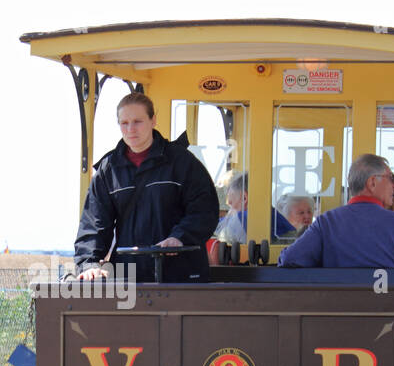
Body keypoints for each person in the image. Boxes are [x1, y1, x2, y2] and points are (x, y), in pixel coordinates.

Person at [75, 92, 218, 282]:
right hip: (129, 280)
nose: (130, 129)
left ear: (153, 120)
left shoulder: (182, 162)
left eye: (137, 121)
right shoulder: (108, 170)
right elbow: (93, 224)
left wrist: (180, 237)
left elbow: (204, 209)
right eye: (124, 123)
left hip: (181, 277)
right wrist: (88, 264)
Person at [278, 154, 394, 268]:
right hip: (388, 306)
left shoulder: (327, 222)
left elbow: (290, 259)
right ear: (372, 182)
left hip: (338, 305)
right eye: (391, 178)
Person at [215, 173, 296, 244]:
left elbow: (219, 232)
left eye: (231, 203)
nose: (230, 208)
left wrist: (229, 216)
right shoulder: (274, 215)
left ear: (244, 198)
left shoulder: (243, 218)